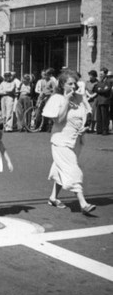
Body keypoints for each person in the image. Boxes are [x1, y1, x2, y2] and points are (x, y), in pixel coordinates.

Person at [42, 70, 96, 214]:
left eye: (75, 83)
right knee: (72, 168)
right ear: (62, 85)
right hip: (61, 141)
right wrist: (66, 100)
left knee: (62, 167)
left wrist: (85, 126)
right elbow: (58, 120)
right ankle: (83, 203)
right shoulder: (56, 99)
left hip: (77, 140)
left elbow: (86, 113)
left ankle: (53, 197)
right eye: (70, 83)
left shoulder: (79, 97)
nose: (73, 86)